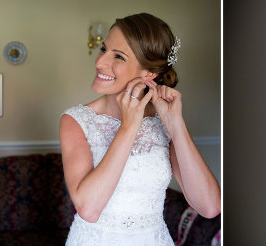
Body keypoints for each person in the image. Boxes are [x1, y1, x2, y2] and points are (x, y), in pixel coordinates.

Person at [60, 13, 221, 245]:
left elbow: (209, 206)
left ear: (148, 74)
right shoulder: (75, 121)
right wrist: (128, 126)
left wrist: (175, 123)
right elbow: (89, 209)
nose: (99, 62)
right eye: (104, 49)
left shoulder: (163, 123)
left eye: (118, 56)